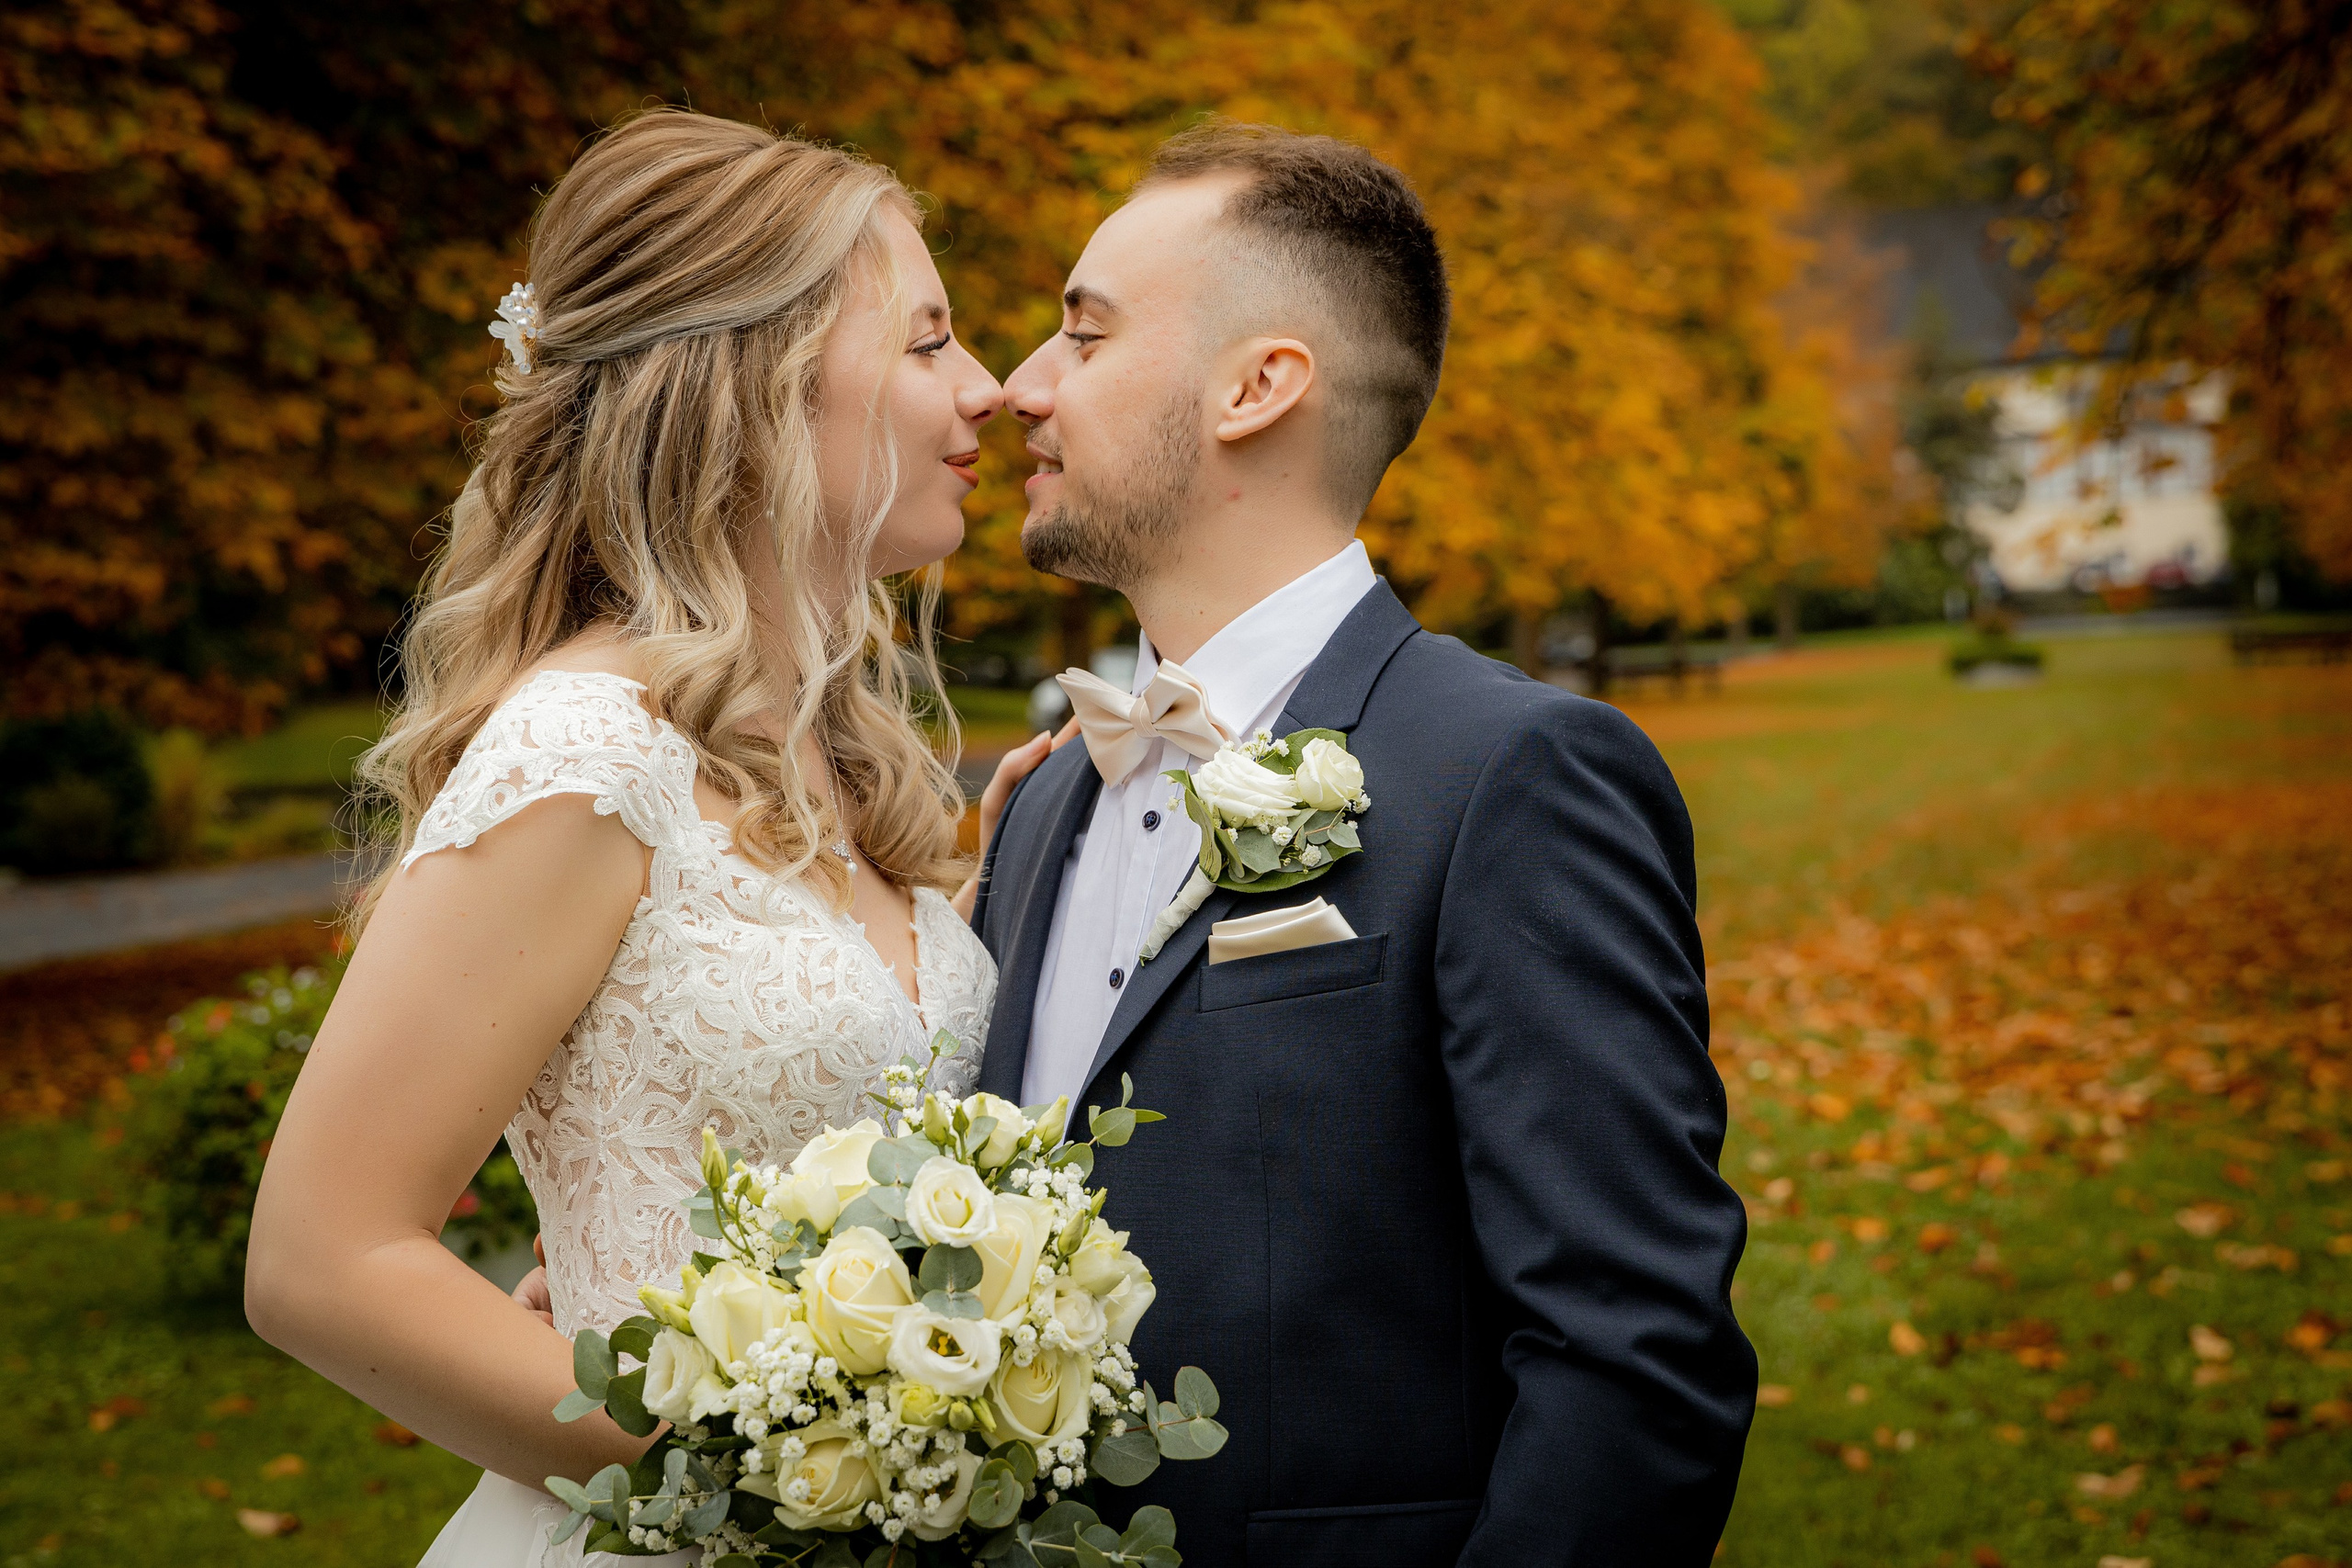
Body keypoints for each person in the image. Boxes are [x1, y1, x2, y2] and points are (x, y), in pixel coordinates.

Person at [243, 109, 1034, 1566]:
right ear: (759, 382)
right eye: (927, 344)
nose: (988, 391)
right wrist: (775, 1454)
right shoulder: (585, 754)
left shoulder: (846, 759)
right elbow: (320, 1261)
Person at [969, 122, 1758, 1564]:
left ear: (1257, 387)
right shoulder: (1035, 807)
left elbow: (1634, 1361)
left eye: (1083, 332)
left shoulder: (1515, 777)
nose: (1019, 385)